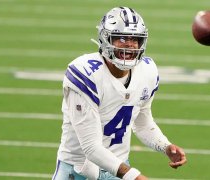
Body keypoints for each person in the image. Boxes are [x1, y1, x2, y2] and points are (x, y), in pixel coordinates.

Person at [52, 6, 187, 180]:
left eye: (135, 39)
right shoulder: (85, 73)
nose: (130, 45)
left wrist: (165, 146)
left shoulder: (147, 71)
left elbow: (142, 121)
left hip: (118, 168)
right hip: (79, 171)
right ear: (106, 39)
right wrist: (134, 176)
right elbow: (91, 148)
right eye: (122, 38)